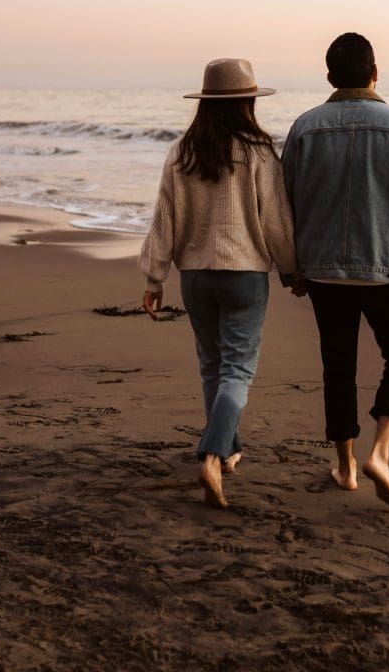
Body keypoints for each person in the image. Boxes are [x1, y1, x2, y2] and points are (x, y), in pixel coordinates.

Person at [282, 33, 389, 505]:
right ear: (376, 72)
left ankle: (347, 468)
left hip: (324, 272)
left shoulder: (305, 128)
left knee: (338, 364)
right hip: (388, 268)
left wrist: (292, 270)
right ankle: (382, 450)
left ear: (330, 76)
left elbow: (285, 206)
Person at [139, 58, 302, 509]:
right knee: (238, 370)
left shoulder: (181, 153)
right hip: (245, 275)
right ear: (248, 103)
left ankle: (227, 448)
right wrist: (291, 270)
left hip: (195, 275)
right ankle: (212, 456)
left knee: (212, 366)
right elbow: (277, 222)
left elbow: (163, 219)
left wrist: (155, 277)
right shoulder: (259, 152)